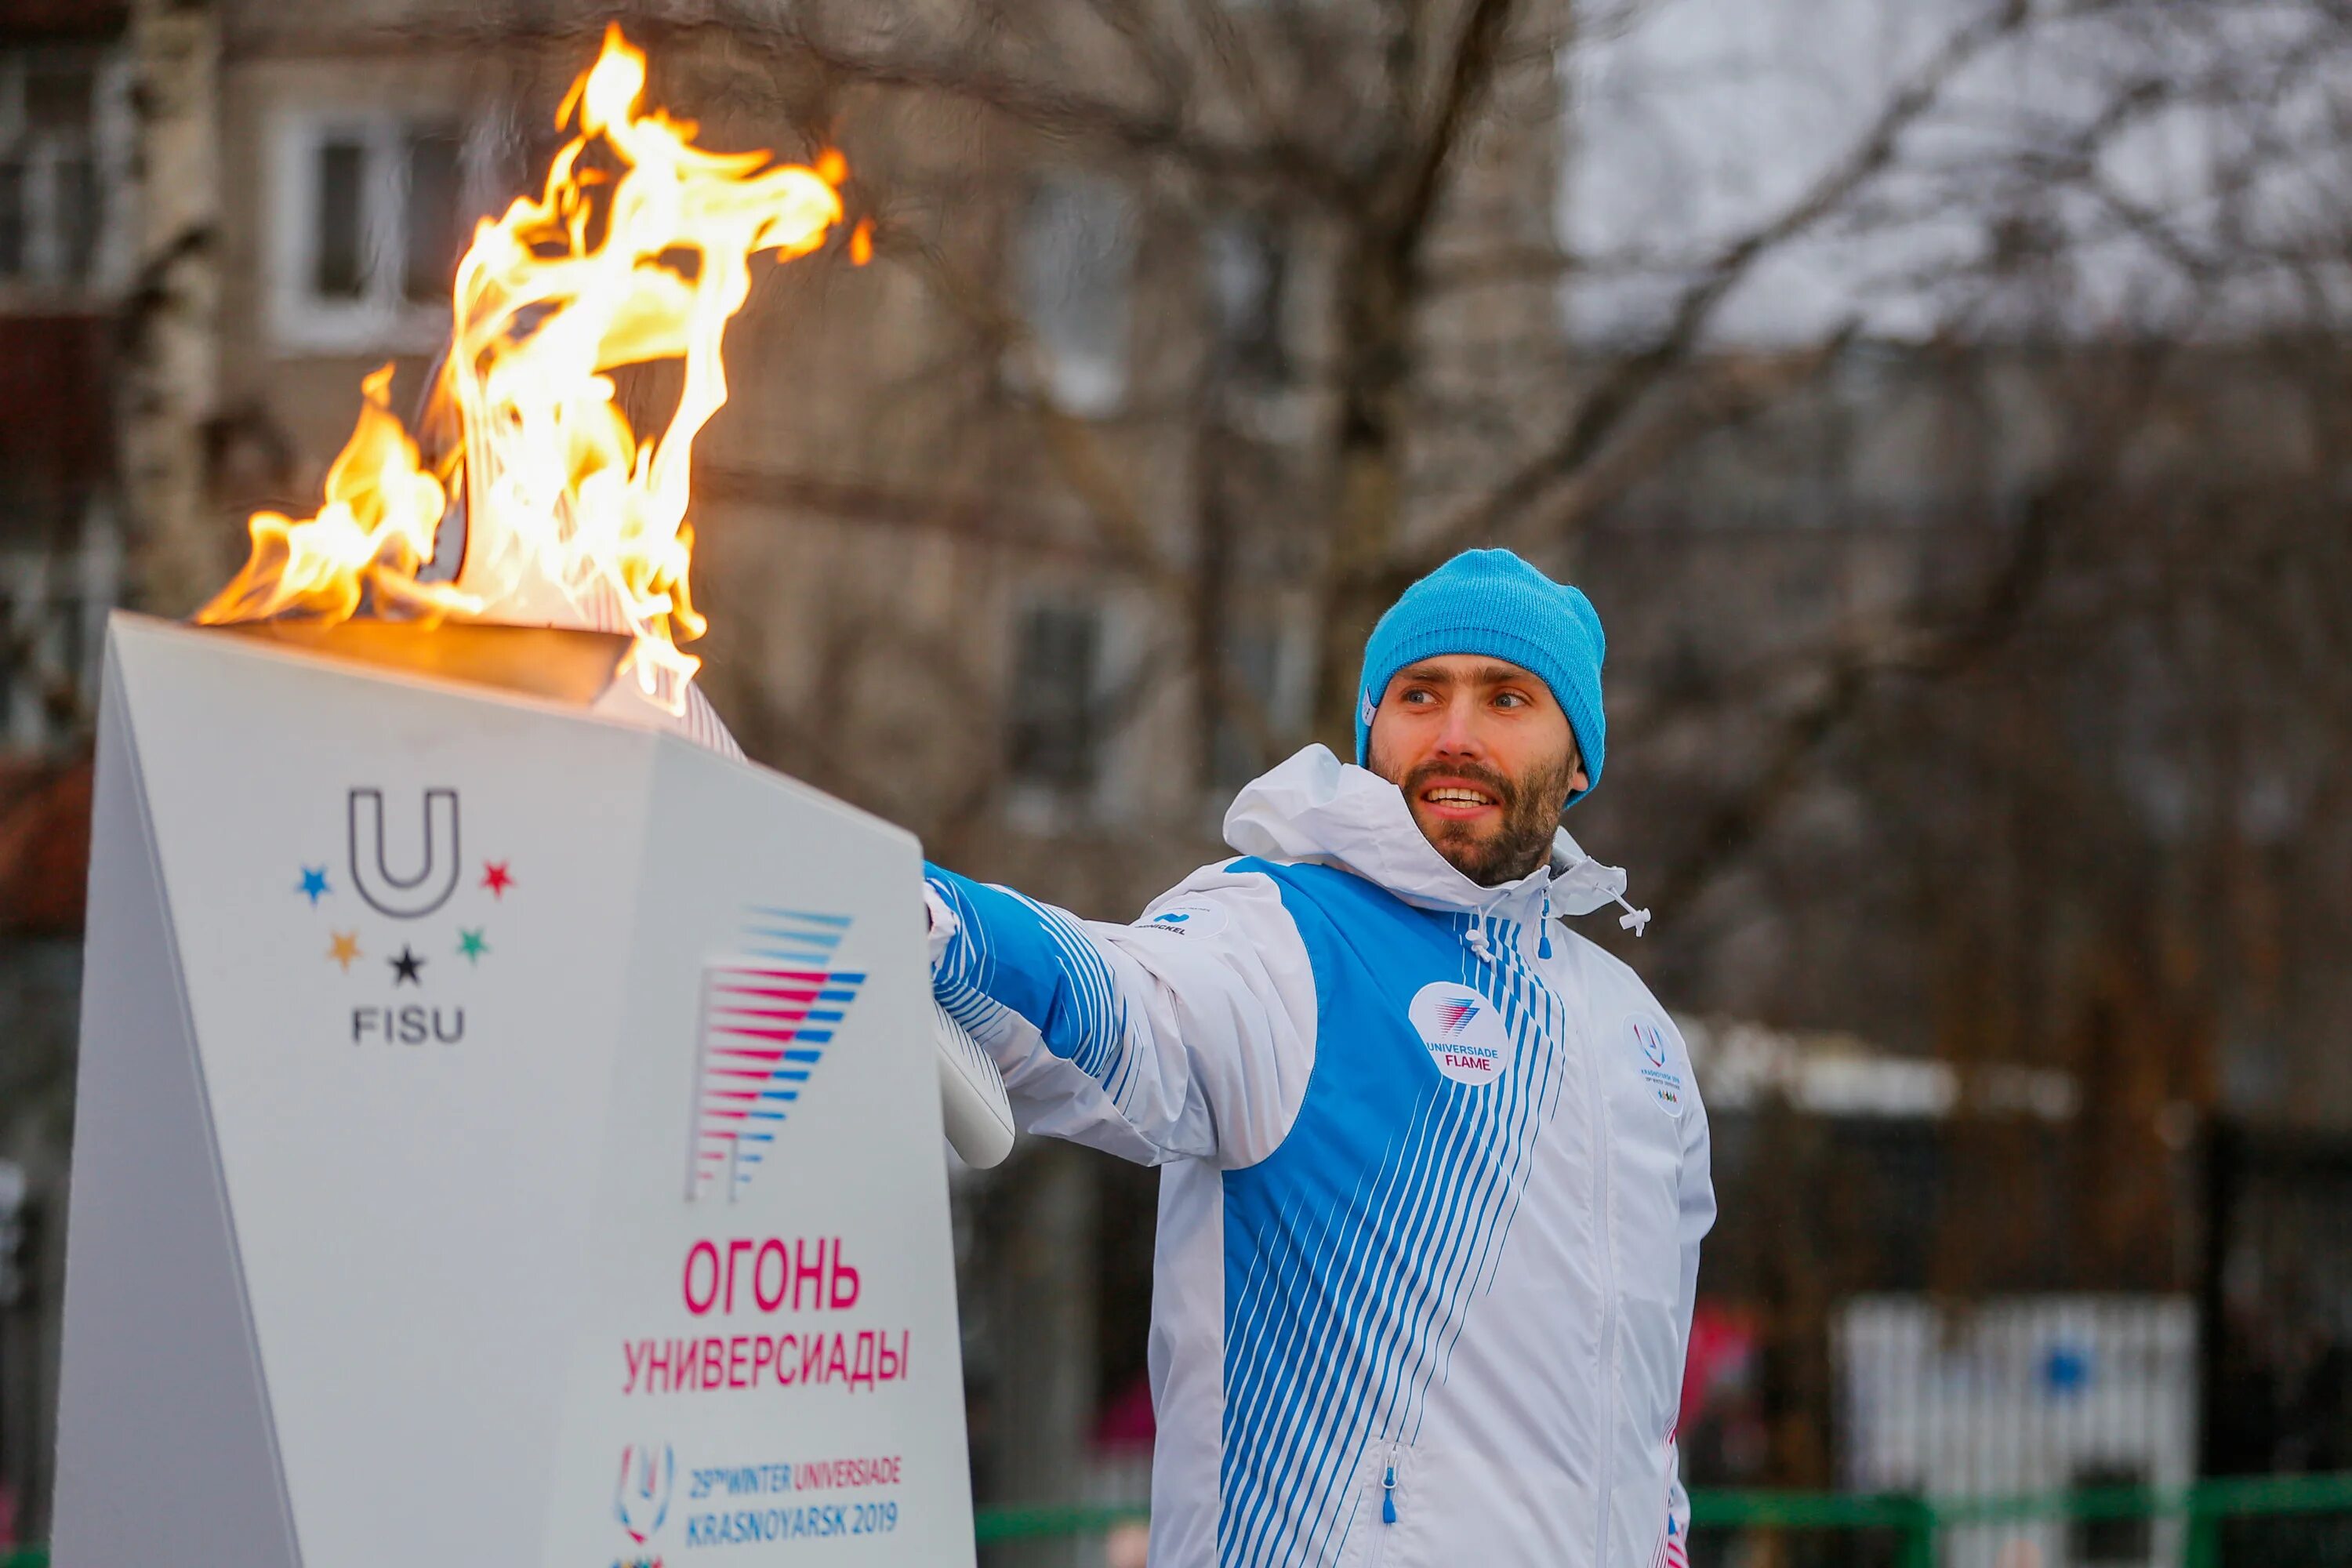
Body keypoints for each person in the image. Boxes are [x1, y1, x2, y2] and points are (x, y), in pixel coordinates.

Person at [924, 549, 1712, 1567]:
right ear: (1371, 731)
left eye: (1508, 697)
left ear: (1579, 760)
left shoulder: (1636, 1039)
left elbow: (1645, 1423)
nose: (1457, 735)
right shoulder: (1288, 942)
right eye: (1420, 695)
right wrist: (927, 919)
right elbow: (1118, 994)